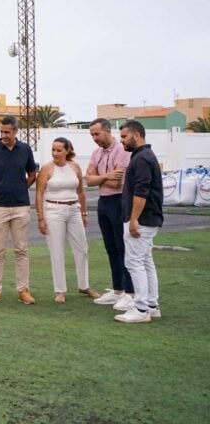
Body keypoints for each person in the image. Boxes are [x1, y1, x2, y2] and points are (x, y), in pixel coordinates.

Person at [0, 116, 38, 305]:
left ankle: (23, 290)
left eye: (7, 132)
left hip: (21, 206)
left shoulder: (25, 150)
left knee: (21, 250)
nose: (3, 135)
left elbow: (32, 175)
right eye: (1, 132)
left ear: (15, 131)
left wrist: (20, 188)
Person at [35, 138, 99, 303]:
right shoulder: (47, 169)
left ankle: (84, 285)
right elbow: (39, 194)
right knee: (57, 251)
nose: (55, 153)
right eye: (53, 150)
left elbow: (81, 192)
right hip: (53, 210)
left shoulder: (75, 167)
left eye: (59, 150)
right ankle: (60, 290)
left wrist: (84, 213)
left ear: (68, 150)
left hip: (74, 210)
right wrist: (41, 218)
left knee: (82, 248)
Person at [115, 120, 164, 323]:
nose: (121, 140)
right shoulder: (143, 156)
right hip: (147, 218)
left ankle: (142, 308)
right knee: (145, 261)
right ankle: (151, 305)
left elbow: (141, 191)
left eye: (124, 136)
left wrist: (134, 219)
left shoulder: (142, 159)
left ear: (136, 135)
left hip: (142, 219)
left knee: (135, 262)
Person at [86, 118, 135, 310]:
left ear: (107, 131)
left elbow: (117, 183)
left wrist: (98, 177)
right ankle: (117, 289)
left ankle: (129, 292)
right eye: (92, 135)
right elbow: (88, 180)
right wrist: (105, 176)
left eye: (97, 134)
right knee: (110, 247)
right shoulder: (96, 153)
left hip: (119, 201)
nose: (94, 138)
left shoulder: (121, 151)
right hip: (103, 202)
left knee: (122, 246)